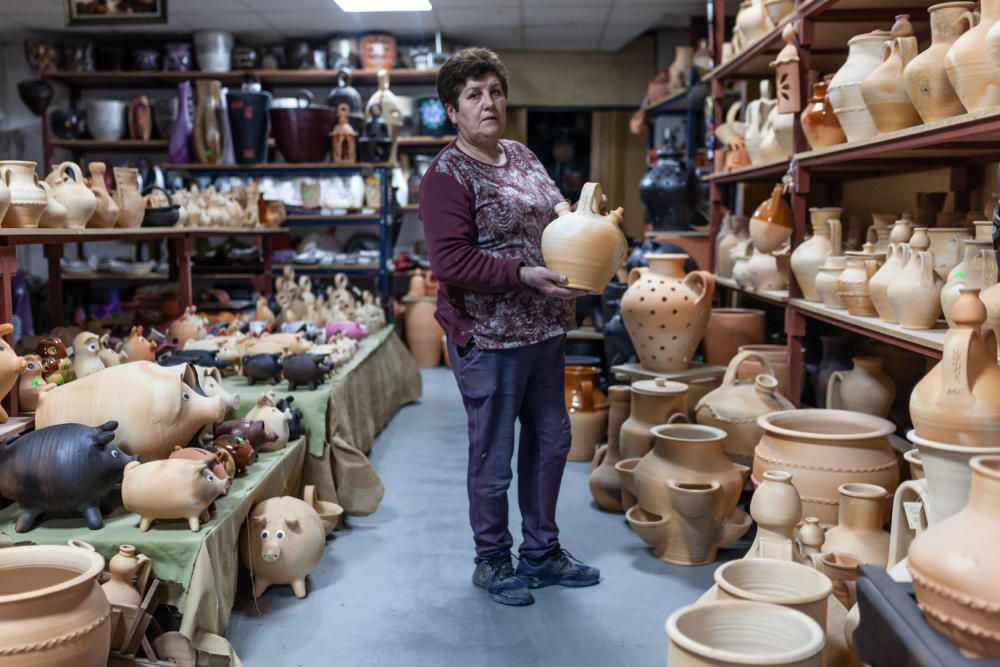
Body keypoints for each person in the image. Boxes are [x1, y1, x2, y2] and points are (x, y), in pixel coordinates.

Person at [418, 47, 600, 607]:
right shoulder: (445, 176)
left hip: (543, 329)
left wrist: (580, 219)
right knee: (493, 454)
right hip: (489, 338)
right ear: (453, 110)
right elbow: (451, 263)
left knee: (551, 441)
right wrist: (525, 273)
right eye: (473, 95)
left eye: (494, 90)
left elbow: (552, 212)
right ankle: (493, 560)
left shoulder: (520, 155)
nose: (488, 102)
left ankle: (542, 553)